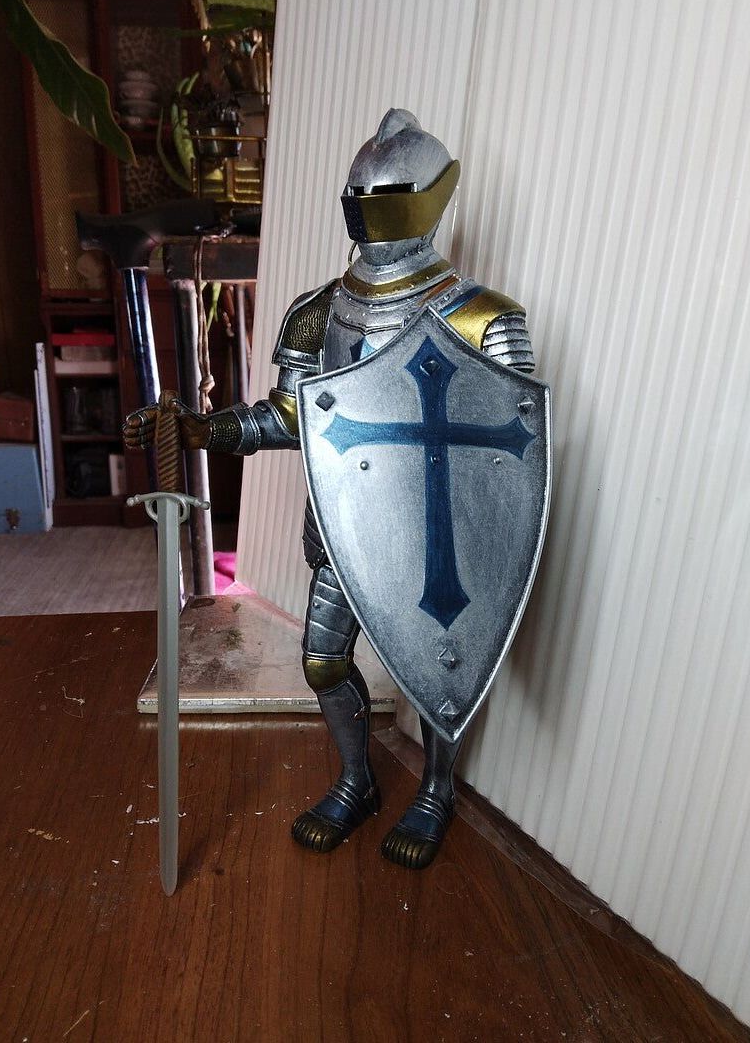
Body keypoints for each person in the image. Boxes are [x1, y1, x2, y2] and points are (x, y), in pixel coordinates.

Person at [124, 109, 537, 868]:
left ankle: (435, 792)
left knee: (441, 666)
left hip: (443, 535)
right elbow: (292, 417)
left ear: (430, 197)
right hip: (346, 528)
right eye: (361, 198)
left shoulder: (485, 318)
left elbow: (512, 447)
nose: (370, 213)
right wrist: (202, 429)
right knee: (322, 660)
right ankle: (357, 781)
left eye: (386, 197)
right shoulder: (318, 314)